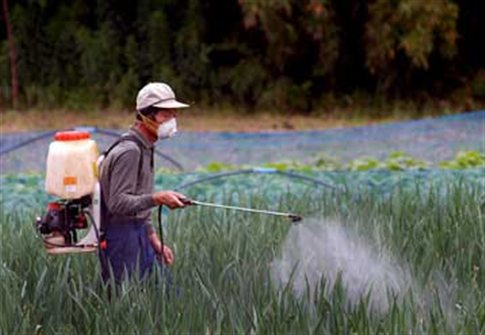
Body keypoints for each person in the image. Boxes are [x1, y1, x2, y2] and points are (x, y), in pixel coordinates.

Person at [99, 82, 189, 284]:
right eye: (166, 115)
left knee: (164, 299)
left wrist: (154, 241)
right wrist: (158, 198)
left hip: (139, 232)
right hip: (121, 237)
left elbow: (138, 198)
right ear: (146, 115)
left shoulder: (145, 147)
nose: (172, 121)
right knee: (126, 304)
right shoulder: (130, 151)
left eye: (174, 115)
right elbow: (118, 203)